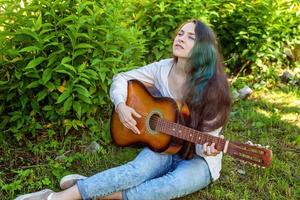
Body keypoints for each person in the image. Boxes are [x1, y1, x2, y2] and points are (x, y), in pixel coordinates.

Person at [16, 19, 231, 200]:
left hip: (199, 158)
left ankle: (91, 187)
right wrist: (120, 106)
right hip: (164, 143)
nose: (181, 38)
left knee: (168, 186)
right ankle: (54, 198)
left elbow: (207, 140)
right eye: (180, 33)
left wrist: (209, 148)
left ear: (204, 47)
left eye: (190, 37)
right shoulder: (162, 68)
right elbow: (122, 78)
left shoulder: (215, 88)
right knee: (136, 171)